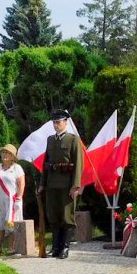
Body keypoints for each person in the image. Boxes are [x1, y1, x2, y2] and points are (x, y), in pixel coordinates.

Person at [39, 110, 83, 259]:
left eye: (58, 122)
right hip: (52, 183)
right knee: (54, 215)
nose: (56, 125)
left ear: (66, 122)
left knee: (66, 216)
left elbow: (78, 164)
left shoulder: (73, 139)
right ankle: (56, 247)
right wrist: (42, 184)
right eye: (54, 122)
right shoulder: (51, 140)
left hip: (66, 184)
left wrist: (75, 185)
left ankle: (65, 247)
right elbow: (46, 163)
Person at [0, 144, 26, 255]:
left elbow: (21, 184)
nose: (5, 155)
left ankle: (12, 247)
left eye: (8, 153)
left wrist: (19, 198)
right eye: (4, 152)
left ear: (13, 156)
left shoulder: (17, 168)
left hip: (12, 201)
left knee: (12, 225)